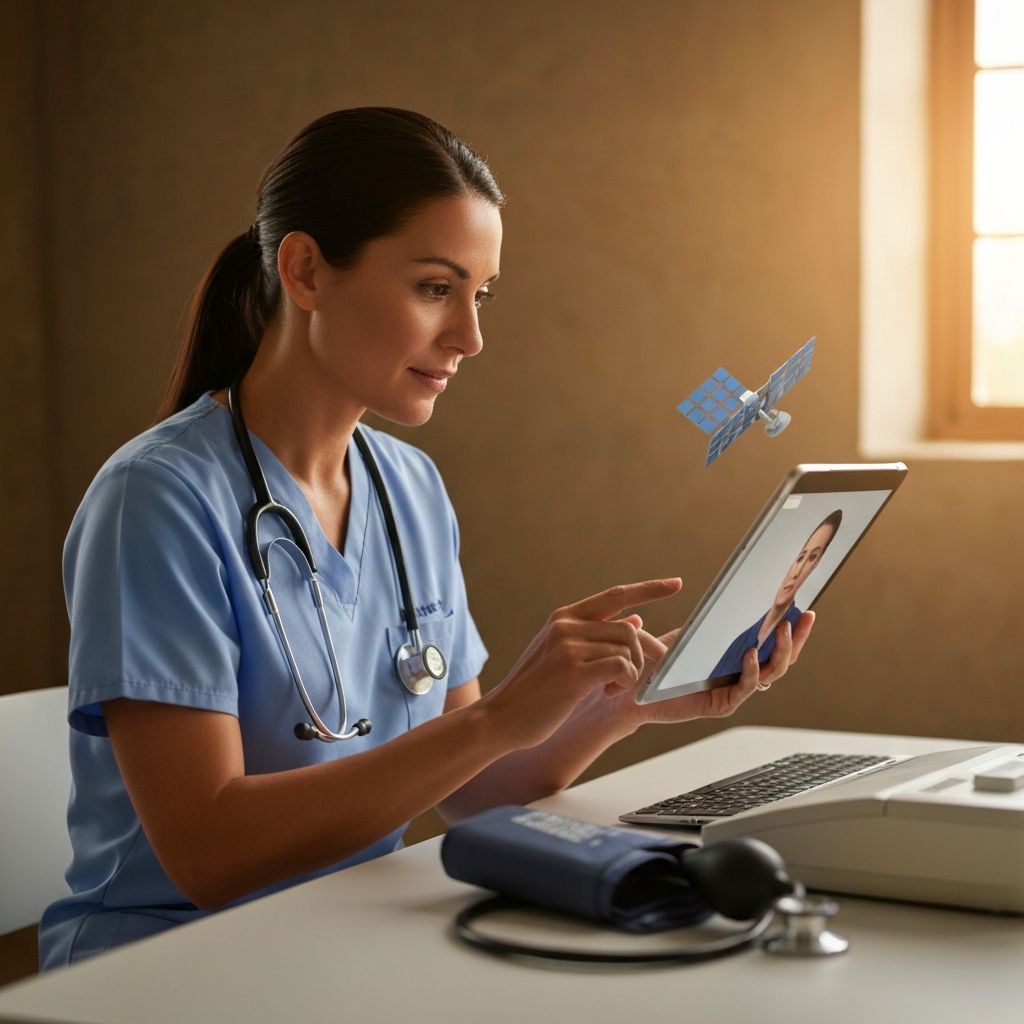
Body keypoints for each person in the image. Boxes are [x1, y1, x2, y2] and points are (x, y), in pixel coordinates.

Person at [39, 108, 815, 969]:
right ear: (305, 271)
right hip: (164, 967)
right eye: (436, 289)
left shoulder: (409, 487)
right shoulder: (157, 500)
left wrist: (624, 704)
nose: (470, 338)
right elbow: (210, 855)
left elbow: (473, 792)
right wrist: (498, 718)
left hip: (346, 945)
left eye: (480, 296)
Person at [708, 511, 841, 684]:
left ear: (816, 565)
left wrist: (759, 682)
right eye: (801, 557)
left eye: (812, 558)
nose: (797, 571)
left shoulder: (791, 624)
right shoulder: (743, 637)